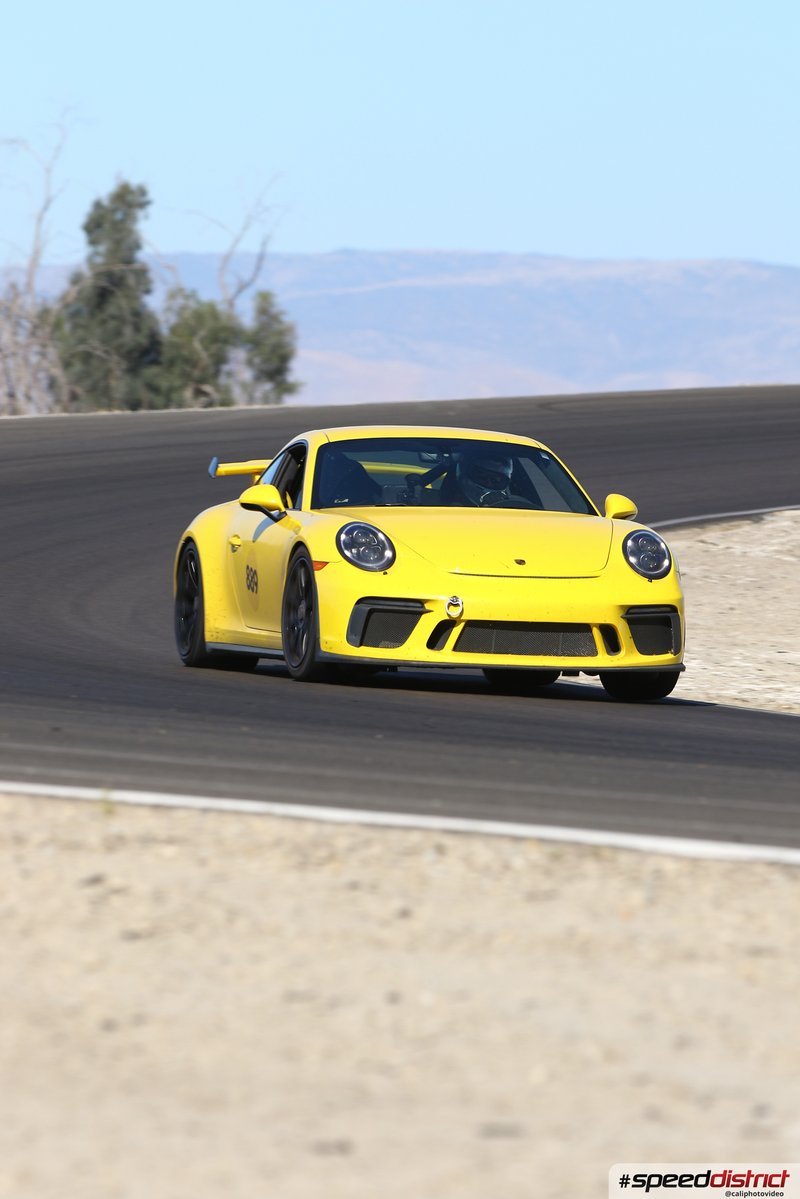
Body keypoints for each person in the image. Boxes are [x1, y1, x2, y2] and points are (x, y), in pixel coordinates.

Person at [441, 450, 533, 508]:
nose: (489, 484)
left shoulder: (515, 510)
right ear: (465, 472)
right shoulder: (441, 509)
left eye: (496, 481)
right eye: (482, 477)